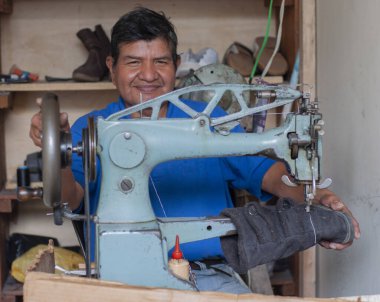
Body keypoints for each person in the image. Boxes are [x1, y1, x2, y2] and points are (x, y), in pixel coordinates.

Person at [29, 7, 360, 294]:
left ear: (176, 65)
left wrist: (309, 195)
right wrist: (56, 153)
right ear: (112, 66)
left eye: (160, 61)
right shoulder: (91, 128)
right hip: (122, 280)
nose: (148, 75)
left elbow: (265, 172)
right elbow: (70, 197)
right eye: (134, 62)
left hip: (210, 276)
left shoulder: (211, 119)